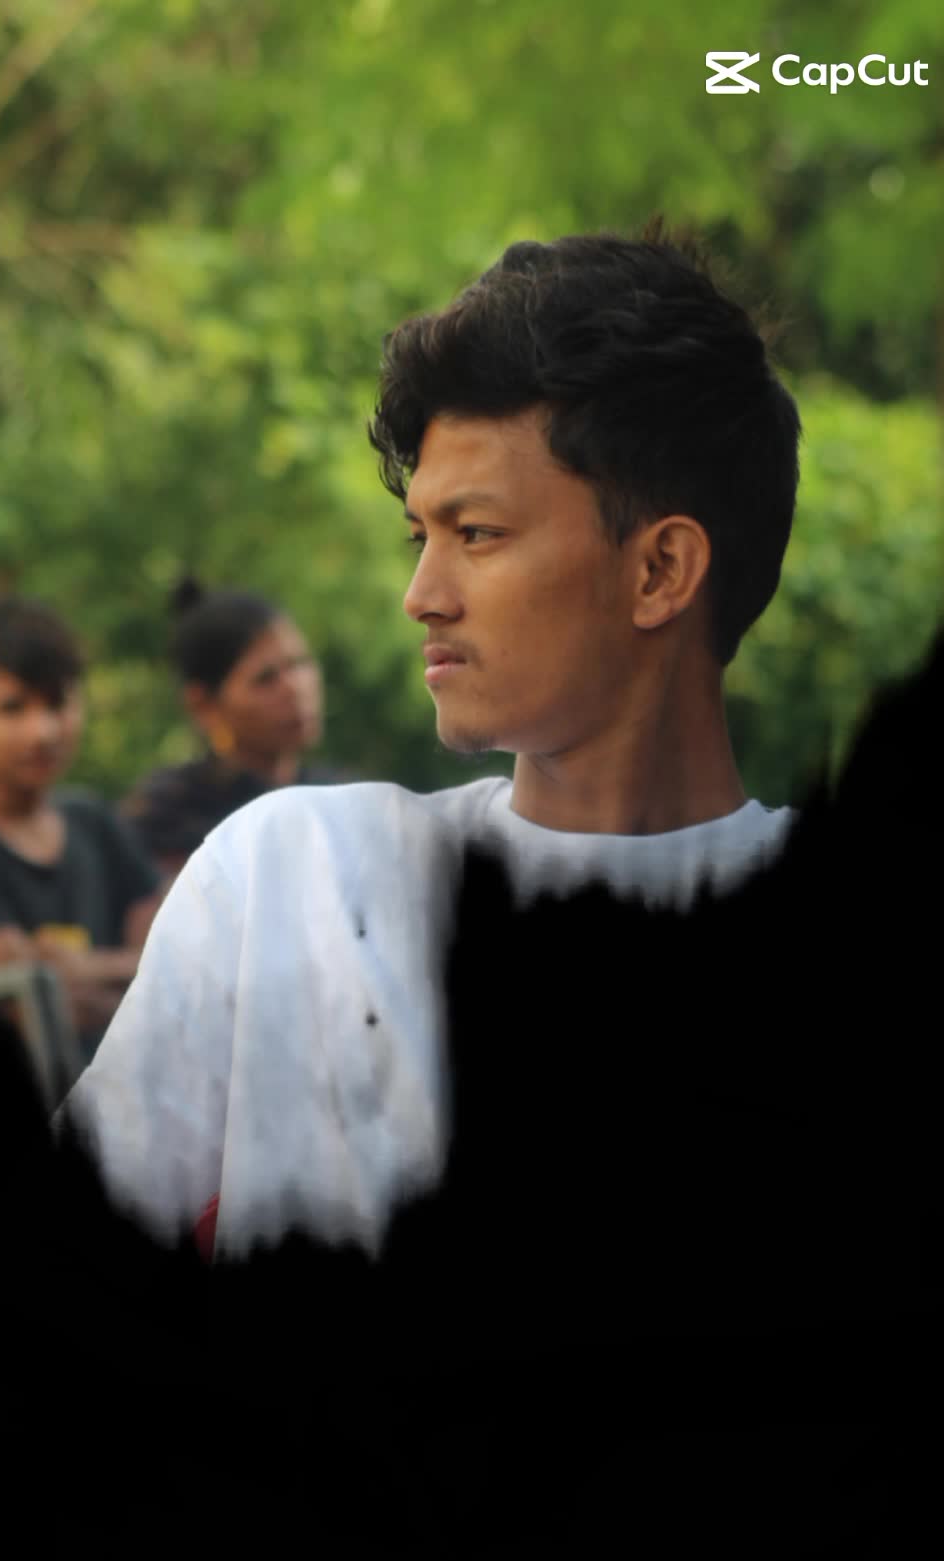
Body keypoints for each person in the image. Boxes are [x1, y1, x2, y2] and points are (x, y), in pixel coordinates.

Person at [62, 218, 803, 1260]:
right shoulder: (294, 879)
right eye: (421, 536)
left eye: (477, 534)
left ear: (660, 571)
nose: (422, 594)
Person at [0, 596, 165, 1071]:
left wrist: (80, 969)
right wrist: (128, 976)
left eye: (57, 704)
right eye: (12, 708)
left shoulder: (92, 821)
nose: (42, 731)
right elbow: (28, 1000)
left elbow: (171, 953)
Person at [120, 579, 355, 885]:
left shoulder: (338, 797)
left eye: (299, 664)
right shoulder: (164, 818)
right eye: (265, 679)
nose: (296, 688)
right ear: (204, 705)